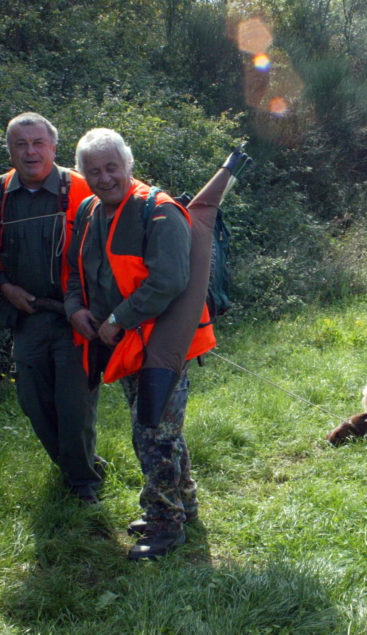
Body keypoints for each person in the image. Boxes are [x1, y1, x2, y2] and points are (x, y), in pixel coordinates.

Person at [65, 128, 220, 560]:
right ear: (82, 175)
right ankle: (181, 506)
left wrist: (118, 318)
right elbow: (76, 269)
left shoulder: (159, 211)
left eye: (112, 167)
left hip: (162, 343)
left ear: (128, 165)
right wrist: (75, 308)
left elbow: (170, 280)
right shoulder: (88, 211)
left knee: (152, 432)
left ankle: (164, 525)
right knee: (163, 431)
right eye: (93, 171)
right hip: (120, 344)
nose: (104, 177)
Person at [0, 112, 103, 504]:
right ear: (9, 149)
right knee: (33, 402)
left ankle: (83, 484)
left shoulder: (81, 189)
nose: (30, 152)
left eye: (38, 143)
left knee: (75, 405)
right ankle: (79, 465)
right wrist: (5, 287)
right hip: (25, 318)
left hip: (75, 318)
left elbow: (107, 250)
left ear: (53, 147)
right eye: (20, 144)